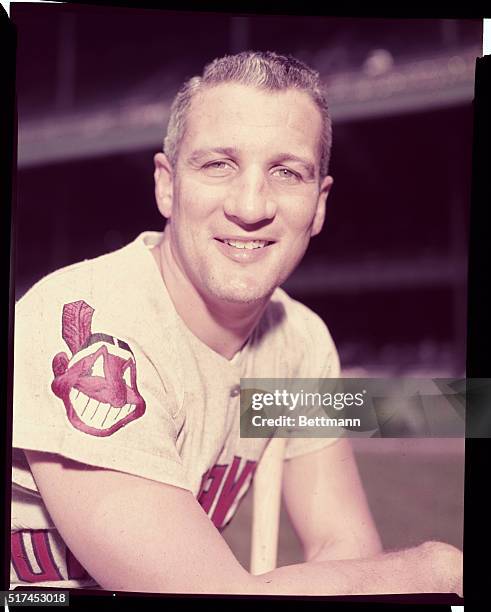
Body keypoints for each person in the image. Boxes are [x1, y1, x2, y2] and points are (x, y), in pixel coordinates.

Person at [10, 51, 462, 596]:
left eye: (286, 172)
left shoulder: (298, 343)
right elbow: (211, 596)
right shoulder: (81, 320)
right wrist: (437, 568)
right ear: (167, 186)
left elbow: (343, 548)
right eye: (218, 164)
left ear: (318, 206)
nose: (251, 206)